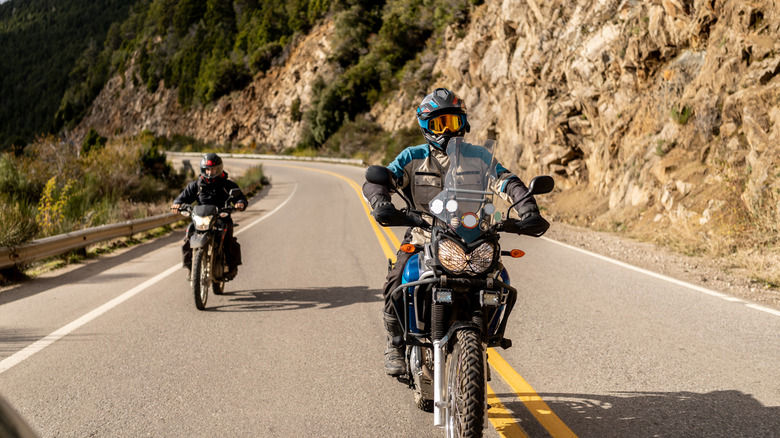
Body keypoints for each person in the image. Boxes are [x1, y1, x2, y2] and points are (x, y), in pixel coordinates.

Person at [362, 88, 549, 376]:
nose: (446, 130)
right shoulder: (413, 157)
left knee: (498, 281)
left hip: (473, 239)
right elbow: (379, 181)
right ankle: (396, 343)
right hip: (425, 237)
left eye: (452, 122)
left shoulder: (480, 157)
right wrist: (381, 202)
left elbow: (506, 181)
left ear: (463, 123)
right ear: (426, 127)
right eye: (438, 124)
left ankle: (480, 339)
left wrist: (528, 209)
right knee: (396, 280)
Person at [171, 153, 248, 280]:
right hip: (201, 218)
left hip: (221, 217)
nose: (210, 172)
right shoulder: (196, 186)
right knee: (189, 233)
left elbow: (240, 198)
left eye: (213, 169)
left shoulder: (227, 185)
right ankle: (191, 268)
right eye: (207, 169)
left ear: (219, 169)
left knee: (228, 235)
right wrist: (177, 204)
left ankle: (232, 266)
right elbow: (181, 198)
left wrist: (240, 203)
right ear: (202, 169)